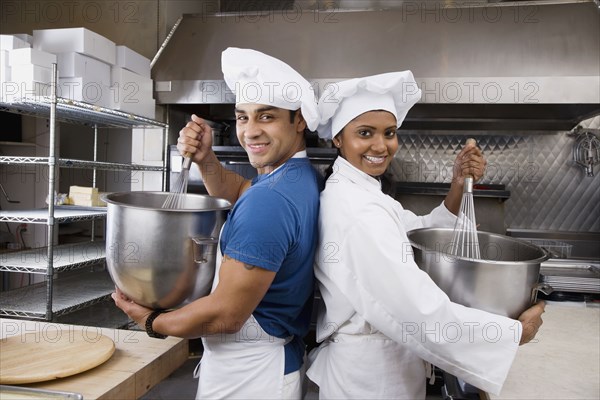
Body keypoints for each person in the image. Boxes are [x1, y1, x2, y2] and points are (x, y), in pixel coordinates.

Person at [305, 72, 545, 399]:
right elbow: (416, 309)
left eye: (389, 133)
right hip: (369, 381)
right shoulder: (356, 211)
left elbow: (418, 230)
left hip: (385, 368)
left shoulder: (363, 193)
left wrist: (459, 183)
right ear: (337, 139)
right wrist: (513, 333)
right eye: (365, 133)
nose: (380, 145)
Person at [112, 47, 322, 399]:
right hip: (271, 363)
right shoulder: (298, 177)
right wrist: (206, 158)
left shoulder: (270, 199)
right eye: (242, 118)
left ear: (298, 120)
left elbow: (226, 315)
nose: (250, 132)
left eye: (266, 117)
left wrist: (150, 321)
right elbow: (242, 191)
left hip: (249, 377)